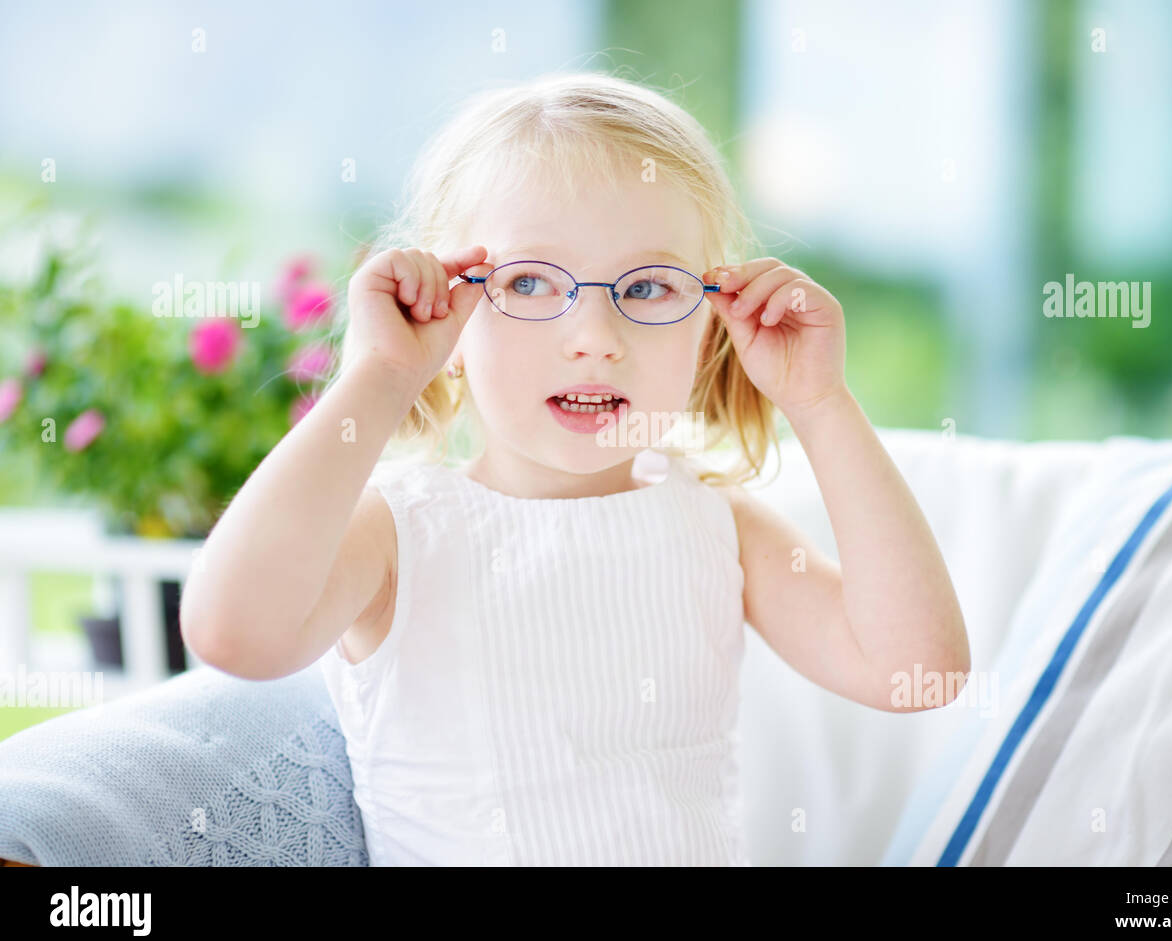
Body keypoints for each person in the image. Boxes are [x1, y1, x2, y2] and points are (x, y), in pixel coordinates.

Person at [180, 71, 969, 866]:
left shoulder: (710, 524)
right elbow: (232, 633)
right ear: (448, 315)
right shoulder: (399, 532)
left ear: (712, 322)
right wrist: (381, 376)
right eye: (528, 281)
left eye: (651, 286)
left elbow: (920, 673)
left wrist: (822, 401)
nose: (595, 334)